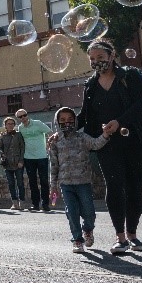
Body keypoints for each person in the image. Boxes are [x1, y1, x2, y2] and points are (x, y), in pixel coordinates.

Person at [76, 40, 142, 255]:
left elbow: (141, 104)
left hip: (136, 141)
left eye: (100, 58)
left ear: (112, 56)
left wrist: (119, 122)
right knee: (114, 185)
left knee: (134, 188)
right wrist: (64, 129)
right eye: (92, 59)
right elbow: (84, 116)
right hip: (107, 143)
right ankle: (120, 237)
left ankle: (132, 234)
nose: (96, 62)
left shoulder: (130, 76)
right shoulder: (90, 85)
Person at [49, 106, 111, 253]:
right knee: (71, 212)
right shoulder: (55, 141)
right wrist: (53, 185)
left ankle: (88, 230)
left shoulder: (82, 137)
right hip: (66, 184)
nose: (67, 123)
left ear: (75, 121)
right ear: (57, 122)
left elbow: (96, 144)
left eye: (70, 120)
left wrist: (106, 134)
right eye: (62, 120)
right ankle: (77, 239)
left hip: (83, 182)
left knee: (89, 212)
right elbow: (53, 164)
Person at [16, 108, 52, 213]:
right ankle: (35, 204)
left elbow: (50, 133)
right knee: (32, 182)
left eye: (24, 115)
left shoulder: (38, 123)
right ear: (18, 118)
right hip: (28, 158)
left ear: (27, 115)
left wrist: (49, 145)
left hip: (42, 157)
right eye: (20, 116)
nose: (23, 118)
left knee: (44, 181)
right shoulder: (20, 128)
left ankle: (45, 204)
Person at [0, 116, 26, 210]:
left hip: (18, 162)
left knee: (20, 183)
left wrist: (21, 161)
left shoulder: (18, 135)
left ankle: (22, 202)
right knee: (11, 184)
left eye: (12, 123)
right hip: (8, 163)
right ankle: (14, 203)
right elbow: (1, 149)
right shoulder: (2, 136)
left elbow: (22, 148)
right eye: (8, 124)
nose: (10, 125)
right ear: (5, 125)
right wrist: (3, 156)